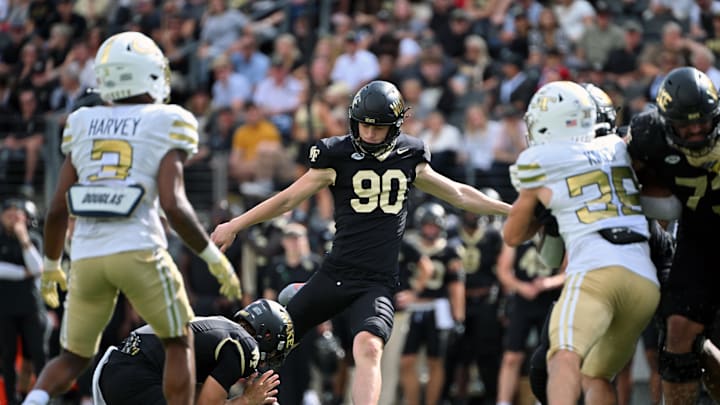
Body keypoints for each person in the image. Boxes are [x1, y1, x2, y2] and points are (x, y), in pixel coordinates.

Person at [211, 80, 511, 405]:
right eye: (364, 125)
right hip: (334, 274)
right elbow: (288, 199)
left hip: (377, 283)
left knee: (368, 346)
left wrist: (512, 210)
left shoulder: (410, 155)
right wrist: (236, 224)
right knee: (268, 336)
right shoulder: (336, 154)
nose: (368, 133)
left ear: (394, 127)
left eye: (377, 127)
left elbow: (458, 193)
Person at [22, 32, 242, 405]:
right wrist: (213, 258)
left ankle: (34, 400)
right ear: (152, 75)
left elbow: (58, 207)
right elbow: (173, 205)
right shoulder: (166, 119)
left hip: (87, 257)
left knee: (72, 358)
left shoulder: (83, 121)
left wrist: (51, 265)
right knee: (179, 340)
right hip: (139, 250)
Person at [503, 80, 660, 405]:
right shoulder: (618, 147)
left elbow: (513, 235)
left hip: (596, 271)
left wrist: (529, 199)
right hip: (645, 281)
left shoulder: (539, 159)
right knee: (595, 376)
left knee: (562, 358)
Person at [627, 66, 720, 404]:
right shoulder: (647, 134)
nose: (696, 130)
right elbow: (615, 173)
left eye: (703, 122)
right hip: (700, 236)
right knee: (678, 330)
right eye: (685, 124)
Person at [91, 298, 293, 405]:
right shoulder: (244, 345)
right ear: (267, 336)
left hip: (115, 368)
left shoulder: (221, 331)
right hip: (135, 376)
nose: (266, 361)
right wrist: (247, 400)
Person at [0, 198, 46, 405]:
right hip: (5, 309)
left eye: (17, 213)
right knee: (7, 357)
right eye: (7, 212)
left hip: (30, 307)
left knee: (38, 354)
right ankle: (11, 400)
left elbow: (37, 267)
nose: (12, 216)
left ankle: (43, 397)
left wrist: (23, 238)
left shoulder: (34, 239)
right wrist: (22, 272)